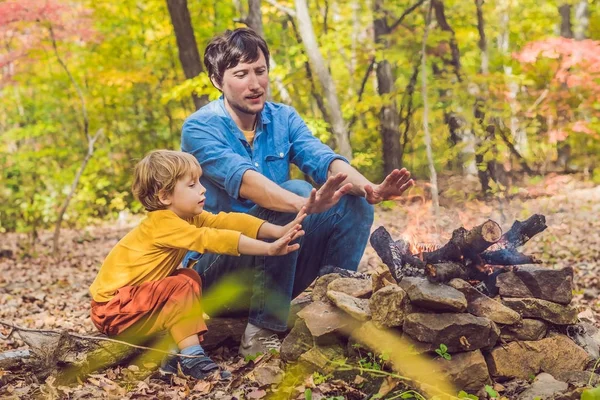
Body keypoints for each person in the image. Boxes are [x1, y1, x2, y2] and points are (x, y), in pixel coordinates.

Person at [181, 28, 414, 357]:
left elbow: (323, 159)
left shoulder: (283, 118)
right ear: (217, 80)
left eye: (260, 71)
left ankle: (332, 312)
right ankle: (261, 331)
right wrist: (304, 202)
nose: (255, 83)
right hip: (216, 272)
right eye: (241, 74)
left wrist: (369, 188)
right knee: (294, 192)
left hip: (274, 264)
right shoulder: (200, 127)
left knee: (355, 202)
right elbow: (248, 182)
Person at [89, 150, 306, 379]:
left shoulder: (187, 217)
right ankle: (192, 358)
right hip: (112, 308)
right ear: (164, 197)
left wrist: (278, 231)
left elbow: (227, 222)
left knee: (188, 277)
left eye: (200, 181)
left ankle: (173, 358)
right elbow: (212, 239)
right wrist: (269, 249)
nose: (202, 189)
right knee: (180, 285)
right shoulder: (163, 224)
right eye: (192, 185)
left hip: (134, 301)